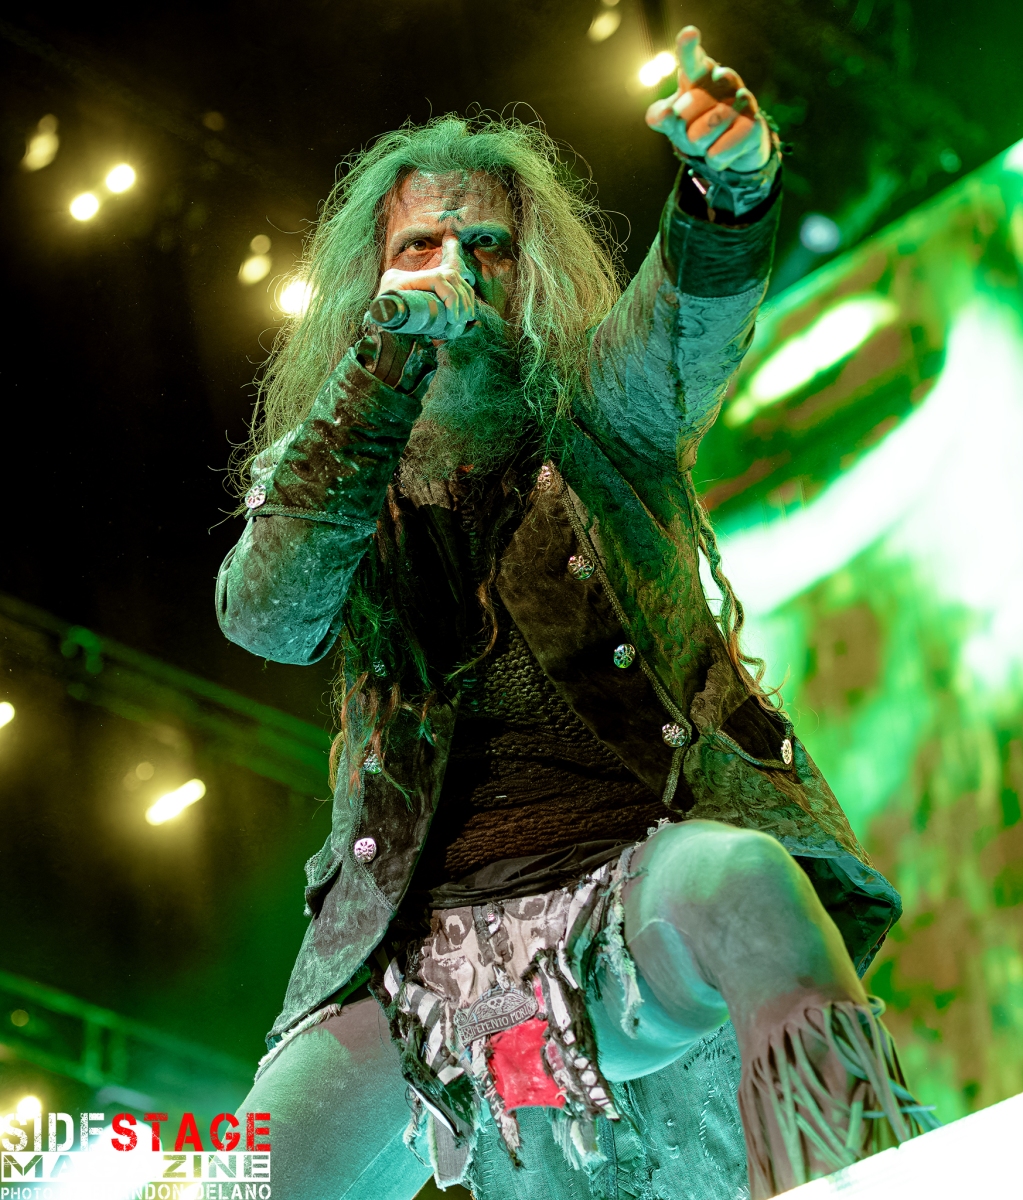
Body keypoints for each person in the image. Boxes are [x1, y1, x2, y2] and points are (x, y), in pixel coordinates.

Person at [217, 27, 935, 1200]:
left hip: (626, 911)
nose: (454, 267)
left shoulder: (603, 410)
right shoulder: (336, 467)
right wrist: (388, 362)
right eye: (420, 246)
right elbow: (269, 615)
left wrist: (730, 190)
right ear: (370, 282)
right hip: (422, 970)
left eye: (486, 246)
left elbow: (684, 324)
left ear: (528, 270)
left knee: (750, 887)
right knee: (239, 1180)